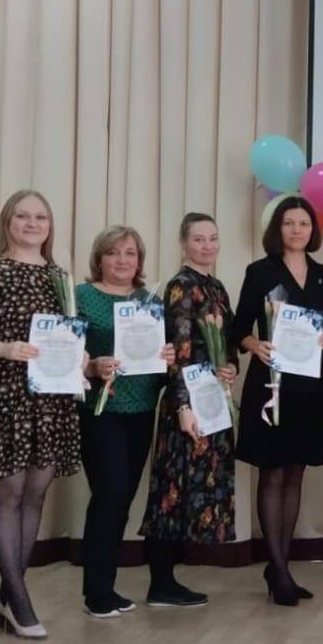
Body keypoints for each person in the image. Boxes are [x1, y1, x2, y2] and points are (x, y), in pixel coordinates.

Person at [0, 190, 82, 639]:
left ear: (50, 225)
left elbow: (70, 335)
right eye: (23, 216)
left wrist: (80, 359)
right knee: (8, 492)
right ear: (7, 221)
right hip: (4, 396)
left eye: (40, 217)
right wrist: (2, 348)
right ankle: (20, 600)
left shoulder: (59, 277)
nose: (32, 223)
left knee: (35, 493)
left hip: (50, 400)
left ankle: (7, 596)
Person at [234, 197, 323, 606]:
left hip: (309, 387)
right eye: (289, 223)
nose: (297, 230)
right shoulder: (260, 272)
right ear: (277, 229)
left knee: (295, 472)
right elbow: (238, 328)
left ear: (313, 230)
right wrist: (253, 344)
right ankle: (277, 570)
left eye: (304, 223)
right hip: (271, 385)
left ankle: (281, 567)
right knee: (272, 472)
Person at [138, 213, 238, 608]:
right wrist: (182, 405)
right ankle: (160, 583)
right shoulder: (181, 287)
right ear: (183, 243)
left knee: (194, 490)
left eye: (213, 238)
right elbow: (178, 351)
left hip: (211, 399)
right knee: (172, 490)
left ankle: (169, 579)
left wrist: (230, 367)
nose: (207, 246)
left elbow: (225, 344)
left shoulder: (217, 287)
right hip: (188, 403)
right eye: (198, 239)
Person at [75, 226, 175, 618]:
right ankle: (97, 592)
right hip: (101, 411)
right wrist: (91, 366)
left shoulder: (150, 301)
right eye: (113, 253)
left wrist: (166, 356)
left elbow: (163, 359)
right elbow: (65, 351)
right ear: (99, 258)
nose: (122, 260)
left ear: (139, 260)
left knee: (122, 499)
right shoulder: (81, 296)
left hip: (143, 409)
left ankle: (105, 585)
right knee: (109, 495)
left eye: (130, 253)